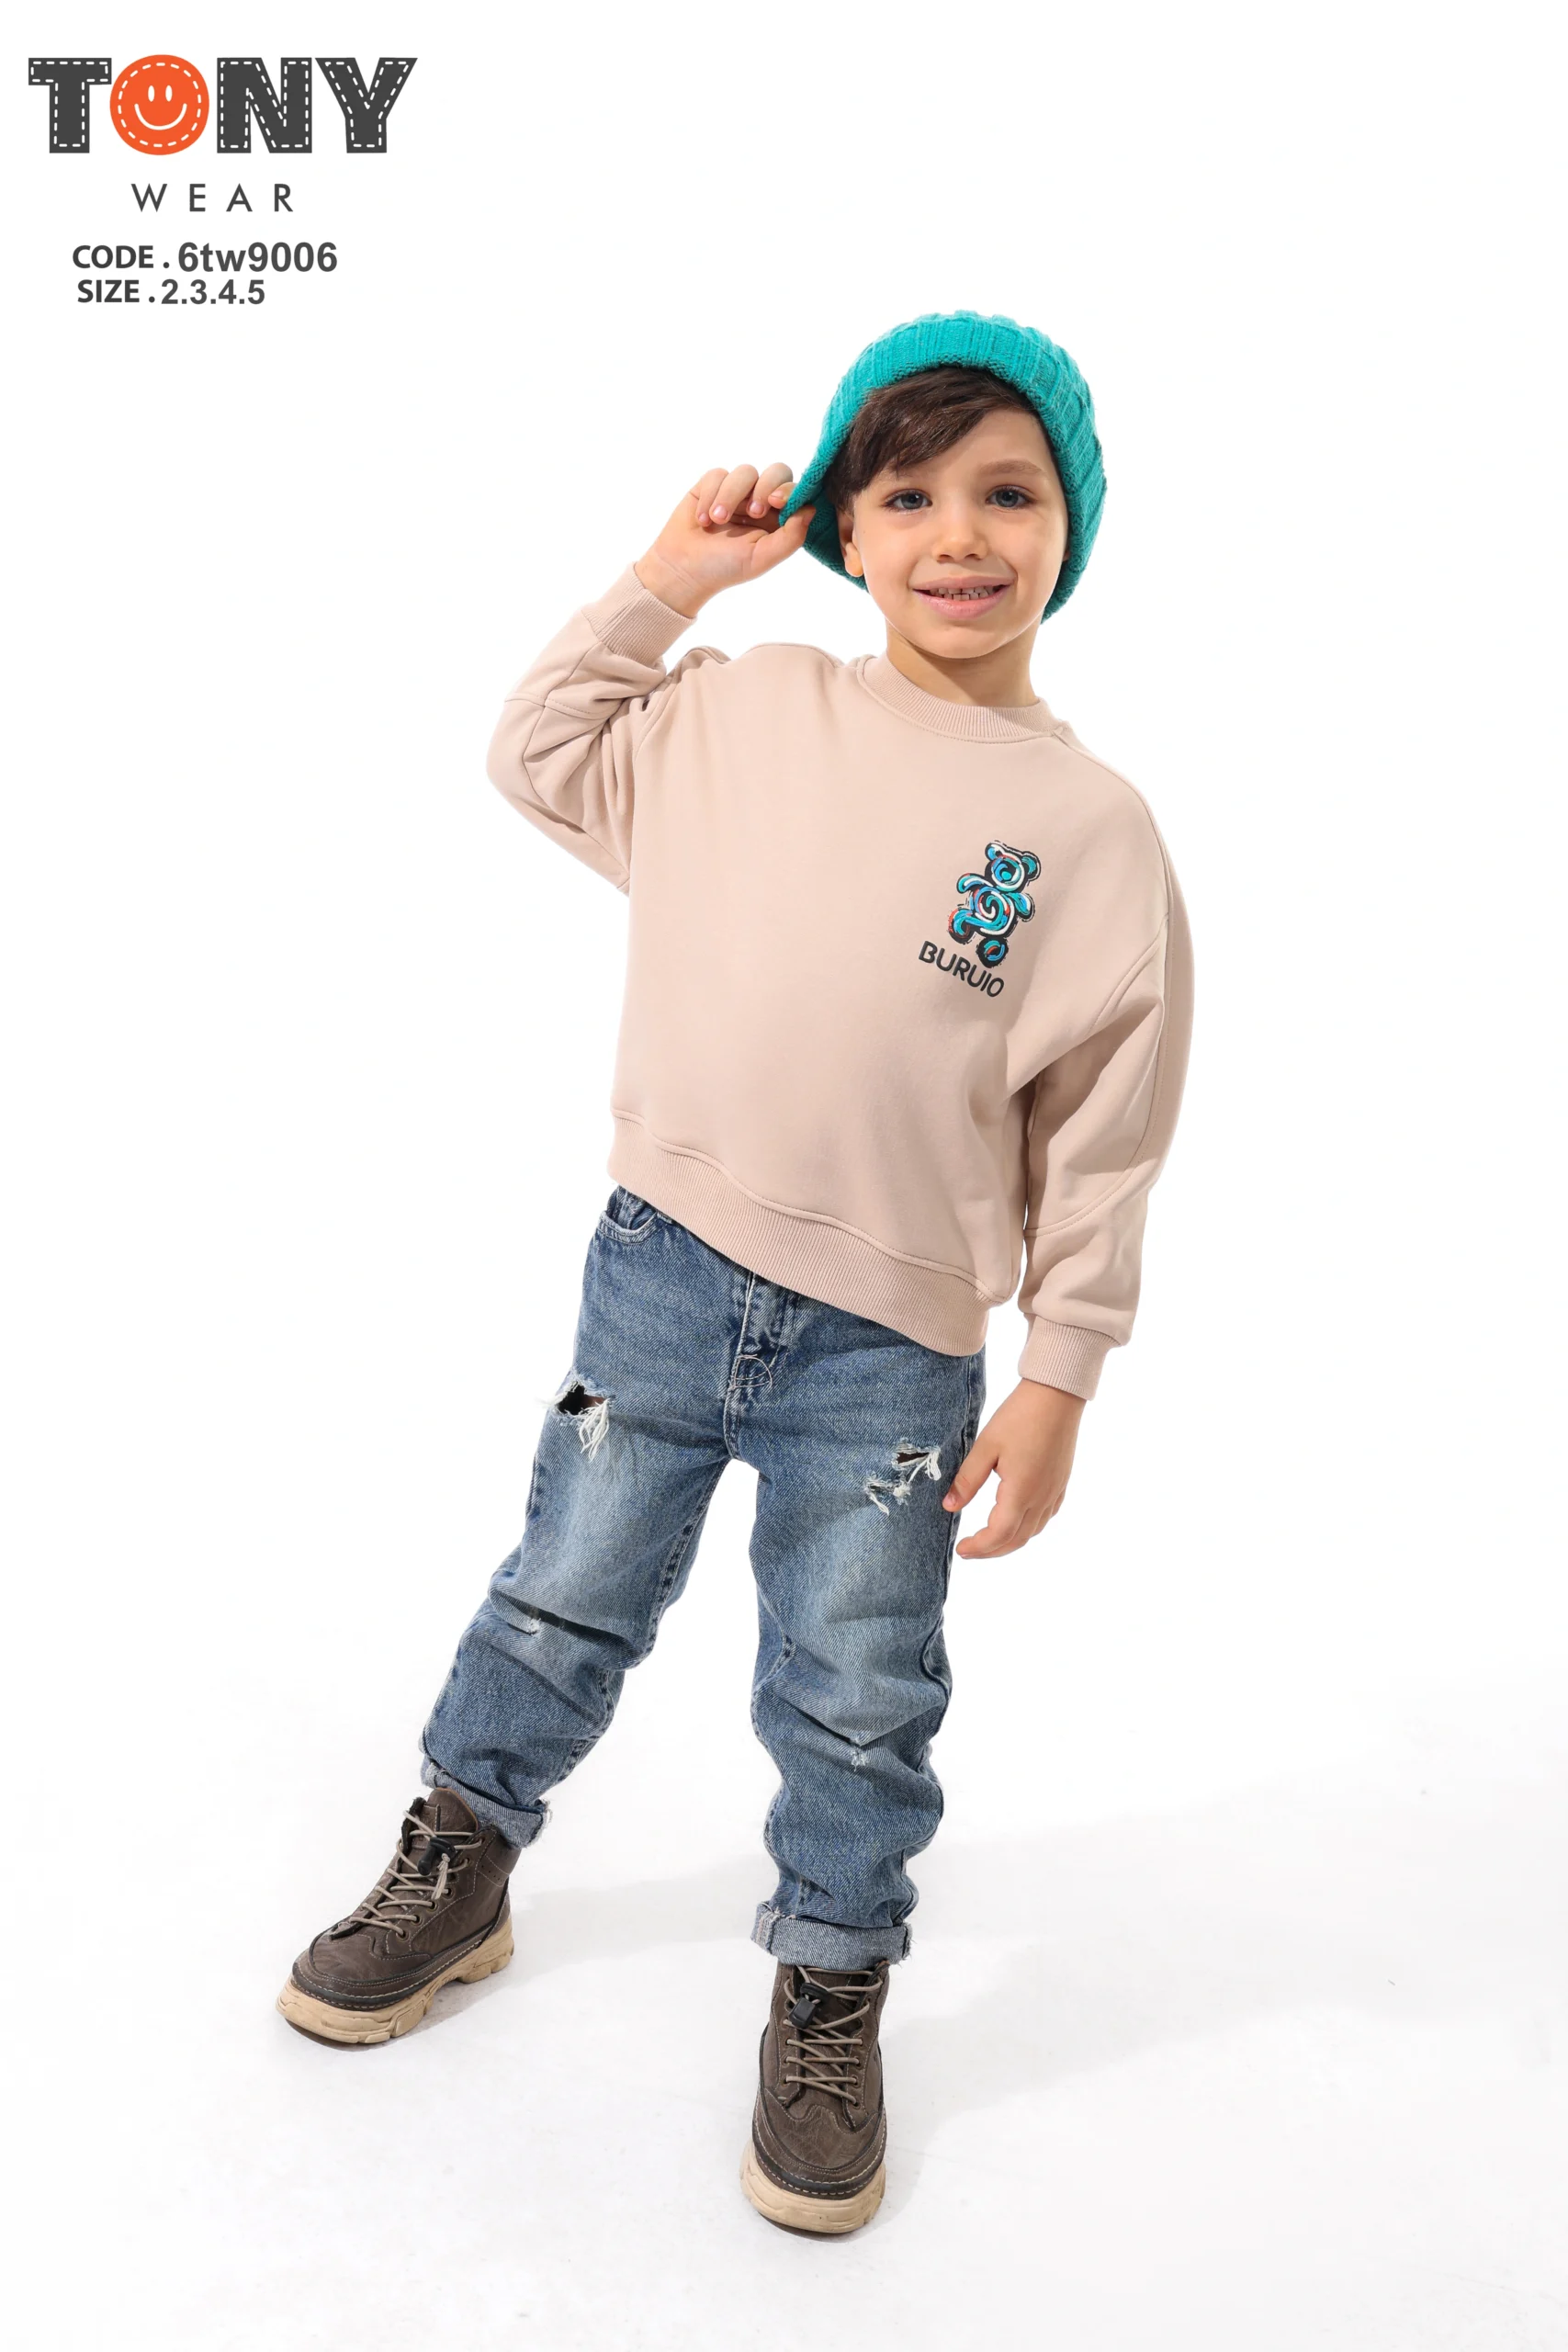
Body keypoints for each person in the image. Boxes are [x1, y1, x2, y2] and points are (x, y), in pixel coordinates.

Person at [277, 311, 1194, 2235]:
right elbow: (536, 750)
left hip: (892, 1347)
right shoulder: (739, 709)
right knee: (562, 1591)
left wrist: (1062, 1369)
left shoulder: (1088, 833)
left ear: (1072, 527)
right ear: (842, 528)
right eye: (906, 493)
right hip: (660, 1270)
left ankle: (833, 1976)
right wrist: (669, 579)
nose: (960, 535)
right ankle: (463, 1855)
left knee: (856, 1685)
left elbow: (1104, 1131)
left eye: (1008, 492)